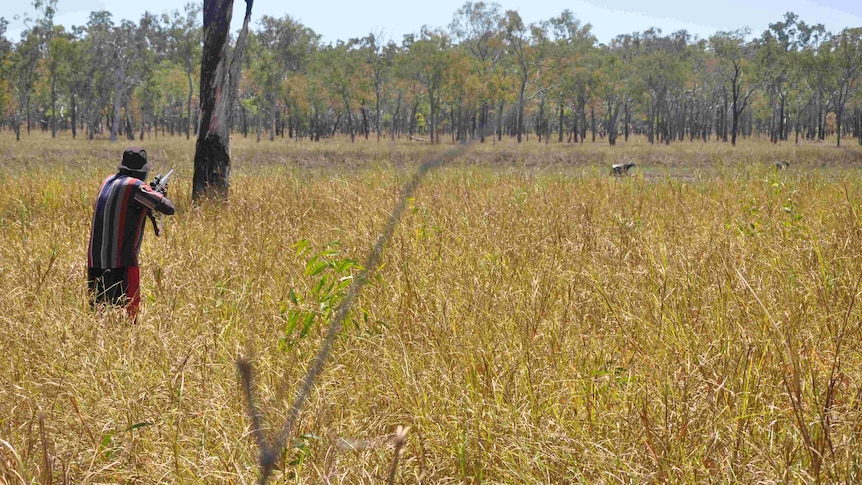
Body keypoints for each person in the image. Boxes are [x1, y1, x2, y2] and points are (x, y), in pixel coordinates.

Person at [87, 147, 175, 321]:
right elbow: (168, 208)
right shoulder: (135, 186)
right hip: (122, 261)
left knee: (99, 315)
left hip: (95, 260)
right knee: (127, 317)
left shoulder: (107, 181)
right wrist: (158, 193)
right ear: (140, 172)